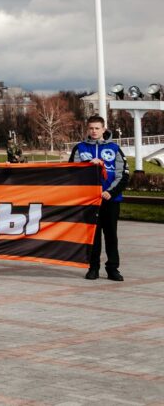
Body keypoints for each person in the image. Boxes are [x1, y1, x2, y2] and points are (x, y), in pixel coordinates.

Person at [70, 115, 129, 282]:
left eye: (97, 128)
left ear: (104, 129)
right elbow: (71, 172)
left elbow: (123, 175)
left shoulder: (115, 148)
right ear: (87, 129)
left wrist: (111, 192)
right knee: (93, 236)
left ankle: (113, 269)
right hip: (90, 201)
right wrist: (88, 164)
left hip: (111, 200)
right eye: (91, 128)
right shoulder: (80, 148)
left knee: (111, 235)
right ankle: (93, 268)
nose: (94, 131)